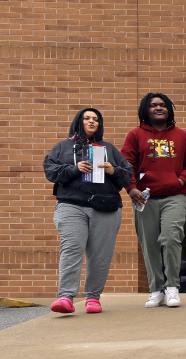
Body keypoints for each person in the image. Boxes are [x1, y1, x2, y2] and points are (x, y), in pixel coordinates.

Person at [43, 108, 132, 314]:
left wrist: (113, 170)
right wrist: (75, 169)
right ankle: (66, 297)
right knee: (72, 248)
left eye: (96, 119)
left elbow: (127, 176)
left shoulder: (109, 149)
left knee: (100, 255)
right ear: (78, 121)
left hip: (106, 208)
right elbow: (50, 171)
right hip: (72, 205)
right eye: (87, 118)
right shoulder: (63, 147)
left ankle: (93, 298)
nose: (92, 122)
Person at [122, 92, 186, 308]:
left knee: (170, 238)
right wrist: (131, 188)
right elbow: (126, 165)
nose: (158, 108)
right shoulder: (135, 135)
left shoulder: (183, 136)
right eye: (153, 105)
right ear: (145, 110)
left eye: (163, 105)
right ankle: (156, 290)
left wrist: (181, 181)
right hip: (144, 198)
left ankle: (172, 287)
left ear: (169, 110)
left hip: (174, 196)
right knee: (149, 245)